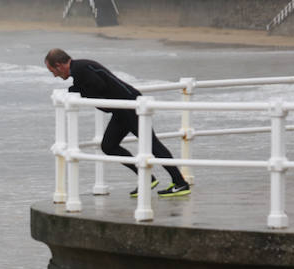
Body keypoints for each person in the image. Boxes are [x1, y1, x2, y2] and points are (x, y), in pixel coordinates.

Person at [45, 48, 190, 198]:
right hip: (122, 108)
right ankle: (147, 178)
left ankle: (180, 183)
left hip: (131, 106)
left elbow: (98, 87)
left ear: (59, 65)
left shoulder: (81, 69)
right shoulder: (80, 69)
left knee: (152, 145)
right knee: (109, 146)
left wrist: (77, 91)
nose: (54, 75)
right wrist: (76, 90)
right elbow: (95, 89)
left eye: (52, 71)